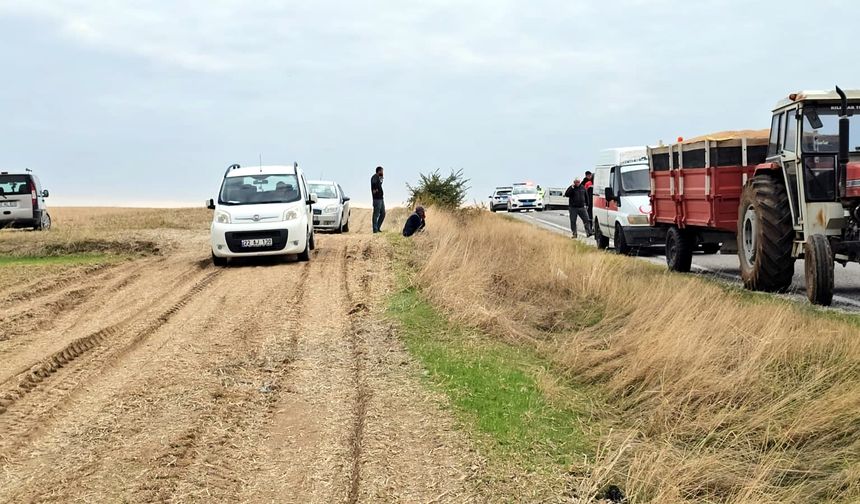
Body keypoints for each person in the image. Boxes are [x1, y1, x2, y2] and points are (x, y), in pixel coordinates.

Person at [371, 166, 385, 233]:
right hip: (376, 199)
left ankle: (378, 227)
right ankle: (375, 229)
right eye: (382, 171)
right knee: (376, 214)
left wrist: (381, 178)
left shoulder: (379, 177)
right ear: (379, 171)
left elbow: (380, 184)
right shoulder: (374, 177)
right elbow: (374, 184)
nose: (382, 172)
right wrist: (375, 190)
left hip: (381, 198)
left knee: (383, 213)